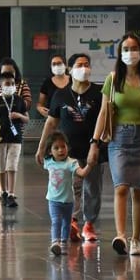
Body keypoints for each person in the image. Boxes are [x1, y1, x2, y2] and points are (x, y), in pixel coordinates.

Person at [88, 32, 140, 257]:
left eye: (134, 48)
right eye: (126, 49)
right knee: (120, 186)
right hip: (118, 137)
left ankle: (135, 240)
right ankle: (120, 235)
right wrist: (95, 141)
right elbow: (103, 111)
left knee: (139, 190)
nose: (130, 53)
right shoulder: (113, 79)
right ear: (120, 53)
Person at [35, 53, 107, 243]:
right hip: (68, 152)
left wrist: (99, 143)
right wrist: (41, 147)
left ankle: (89, 223)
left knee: (93, 188)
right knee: (72, 187)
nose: (84, 68)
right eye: (79, 65)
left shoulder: (99, 93)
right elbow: (51, 123)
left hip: (93, 149)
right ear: (70, 69)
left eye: (86, 64)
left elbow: (106, 120)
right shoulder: (61, 95)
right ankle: (73, 221)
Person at [42, 131, 93, 256]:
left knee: (66, 223)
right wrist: (40, 149)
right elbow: (40, 159)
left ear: (67, 147)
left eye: (63, 147)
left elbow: (81, 173)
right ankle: (55, 242)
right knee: (56, 221)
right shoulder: (48, 162)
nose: (60, 150)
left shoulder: (71, 163)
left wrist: (90, 165)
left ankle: (64, 243)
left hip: (68, 201)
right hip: (53, 200)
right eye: (56, 148)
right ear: (50, 151)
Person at [0, 71, 29, 208]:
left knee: (12, 165)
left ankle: (11, 193)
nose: (10, 86)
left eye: (12, 84)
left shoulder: (19, 100)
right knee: (1, 164)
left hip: (15, 138)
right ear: (1, 85)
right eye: (7, 84)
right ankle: (3, 190)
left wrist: (19, 116)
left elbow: (27, 118)